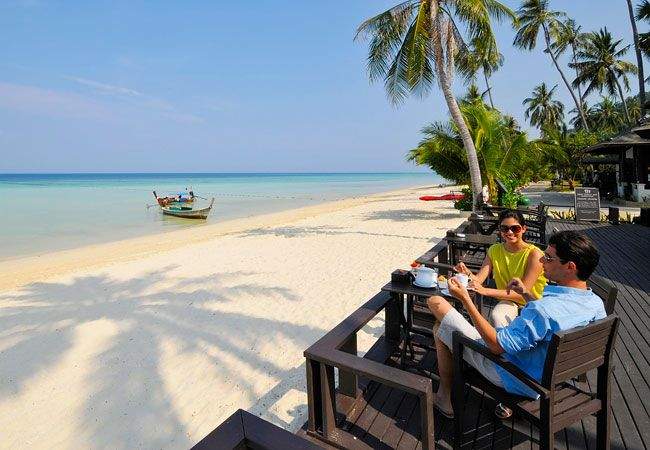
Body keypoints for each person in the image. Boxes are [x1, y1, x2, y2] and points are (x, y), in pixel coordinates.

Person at [426, 230, 606, 419]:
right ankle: (443, 396)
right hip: (551, 374)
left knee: (436, 304)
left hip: (514, 375)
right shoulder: (596, 304)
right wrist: (526, 294)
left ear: (570, 267)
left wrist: (466, 300)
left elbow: (496, 347)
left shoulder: (543, 310)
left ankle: (444, 396)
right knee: (441, 328)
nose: (542, 261)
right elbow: (553, 320)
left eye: (549, 258)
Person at [454, 209, 546, 328]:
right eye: (504, 228)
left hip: (532, 302)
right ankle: (497, 340)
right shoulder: (495, 250)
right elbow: (478, 280)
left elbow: (522, 293)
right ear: (500, 230)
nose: (510, 232)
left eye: (515, 228)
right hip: (509, 300)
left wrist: (485, 291)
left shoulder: (534, 254)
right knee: (497, 317)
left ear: (524, 229)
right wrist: (467, 273)